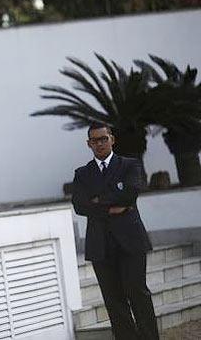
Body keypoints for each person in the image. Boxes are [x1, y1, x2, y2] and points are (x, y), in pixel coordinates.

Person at [72, 123, 158, 339]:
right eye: (95, 140)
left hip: (130, 241)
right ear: (88, 144)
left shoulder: (130, 165)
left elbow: (130, 194)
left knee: (138, 294)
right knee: (113, 301)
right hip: (100, 244)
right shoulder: (82, 174)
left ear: (112, 139)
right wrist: (113, 204)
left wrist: (98, 201)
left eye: (103, 138)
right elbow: (80, 205)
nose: (99, 143)